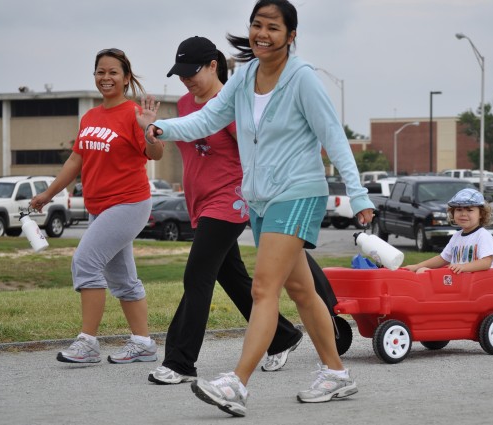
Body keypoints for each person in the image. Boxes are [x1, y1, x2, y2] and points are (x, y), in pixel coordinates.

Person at [136, 0, 374, 417]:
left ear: (291, 35)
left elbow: (334, 137)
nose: (262, 33)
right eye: (256, 25)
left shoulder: (302, 79)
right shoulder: (244, 77)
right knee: (300, 290)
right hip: (261, 197)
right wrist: (162, 128)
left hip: (298, 193)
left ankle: (237, 383)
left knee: (264, 288)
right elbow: (207, 119)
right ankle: (336, 374)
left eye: (273, 27)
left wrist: (359, 196)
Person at [148, 36, 303, 385]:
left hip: (230, 201)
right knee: (230, 276)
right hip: (200, 203)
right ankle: (282, 336)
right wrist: (151, 132)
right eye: (181, 73)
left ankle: (179, 362)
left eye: (193, 71)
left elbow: (258, 152)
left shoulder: (232, 104)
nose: (186, 79)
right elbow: (162, 151)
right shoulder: (186, 104)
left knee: (197, 276)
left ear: (214, 65)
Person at [30, 48, 164, 364]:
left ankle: (88, 343)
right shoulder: (90, 116)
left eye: (113, 72)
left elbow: (156, 154)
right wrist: (48, 194)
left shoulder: (133, 114)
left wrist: (148, 131)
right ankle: (143, 343)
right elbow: (77, 159)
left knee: (85, 262)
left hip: (129, 203)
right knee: (122, 279)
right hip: (99, 206)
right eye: (100, 72)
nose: (106, 78)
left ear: (126, 78)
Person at [404, 188, 493, 274]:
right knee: (422, 271)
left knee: (423, 273)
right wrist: (417, 266)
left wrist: (463, 267)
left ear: (481, 214)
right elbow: (443, 258)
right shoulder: (456, 236)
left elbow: (486, 262)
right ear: (453, 213)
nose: (463, 214)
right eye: (459, 209)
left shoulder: (483, 235)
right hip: (459, 283)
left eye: (469, 210)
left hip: (478, 284)